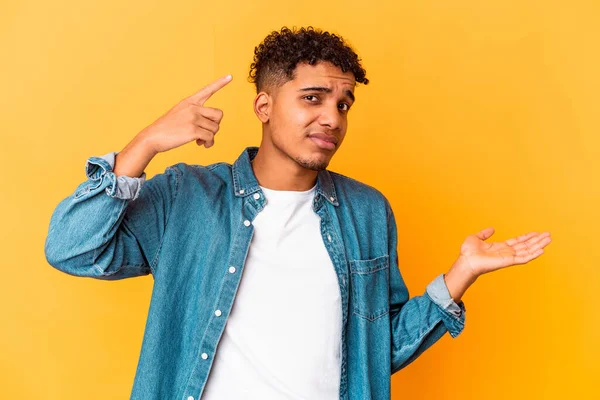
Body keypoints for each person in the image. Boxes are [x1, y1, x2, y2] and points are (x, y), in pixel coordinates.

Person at [45, 26, 552, 400]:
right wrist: (146, 143)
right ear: (263, 106)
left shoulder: (366, 211)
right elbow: (72, 248)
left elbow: (373, 354)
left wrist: (460, 274)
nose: (332, 117)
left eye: (344, 104)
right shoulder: (190, 197)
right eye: (312, 98)